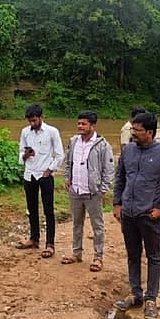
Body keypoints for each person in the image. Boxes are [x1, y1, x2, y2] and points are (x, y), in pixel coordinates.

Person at [112, 112, 160, 319]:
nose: (133, 133)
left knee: (153, 256)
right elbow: (120, 178)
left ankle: (151, 299)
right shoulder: (128, 151)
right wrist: (117, 203)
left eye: (137, 130)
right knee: (132, 255)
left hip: (150, 216)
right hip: (128, 214)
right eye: (132, 129)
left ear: (149, 132)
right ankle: (136, 294)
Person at [61, 111, 115, 272]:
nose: (80, 126)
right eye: (79, 123)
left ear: (93, 126)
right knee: (76, 224)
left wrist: (102, 189)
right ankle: (76, 253)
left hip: (93, 192)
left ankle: (98, 257)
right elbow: (68, 162)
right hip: (75, 190)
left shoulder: (102, 145)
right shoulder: (73, 141)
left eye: (83, 124)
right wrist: (67, 177)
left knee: (97, 225)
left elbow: (109, 169)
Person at [15, 104, 64, 258]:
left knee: (48, 210)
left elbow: (60, 155)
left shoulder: (52, 132)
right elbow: (21, 153)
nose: (32, 123)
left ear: (41, 117)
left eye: (34, 120)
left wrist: (50, 170)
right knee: (31, 209)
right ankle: (34, 239)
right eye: (30, 121)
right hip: (29, 174)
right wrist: (26, 155)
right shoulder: (25, 132)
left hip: (45, 175)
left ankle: (50, 244)